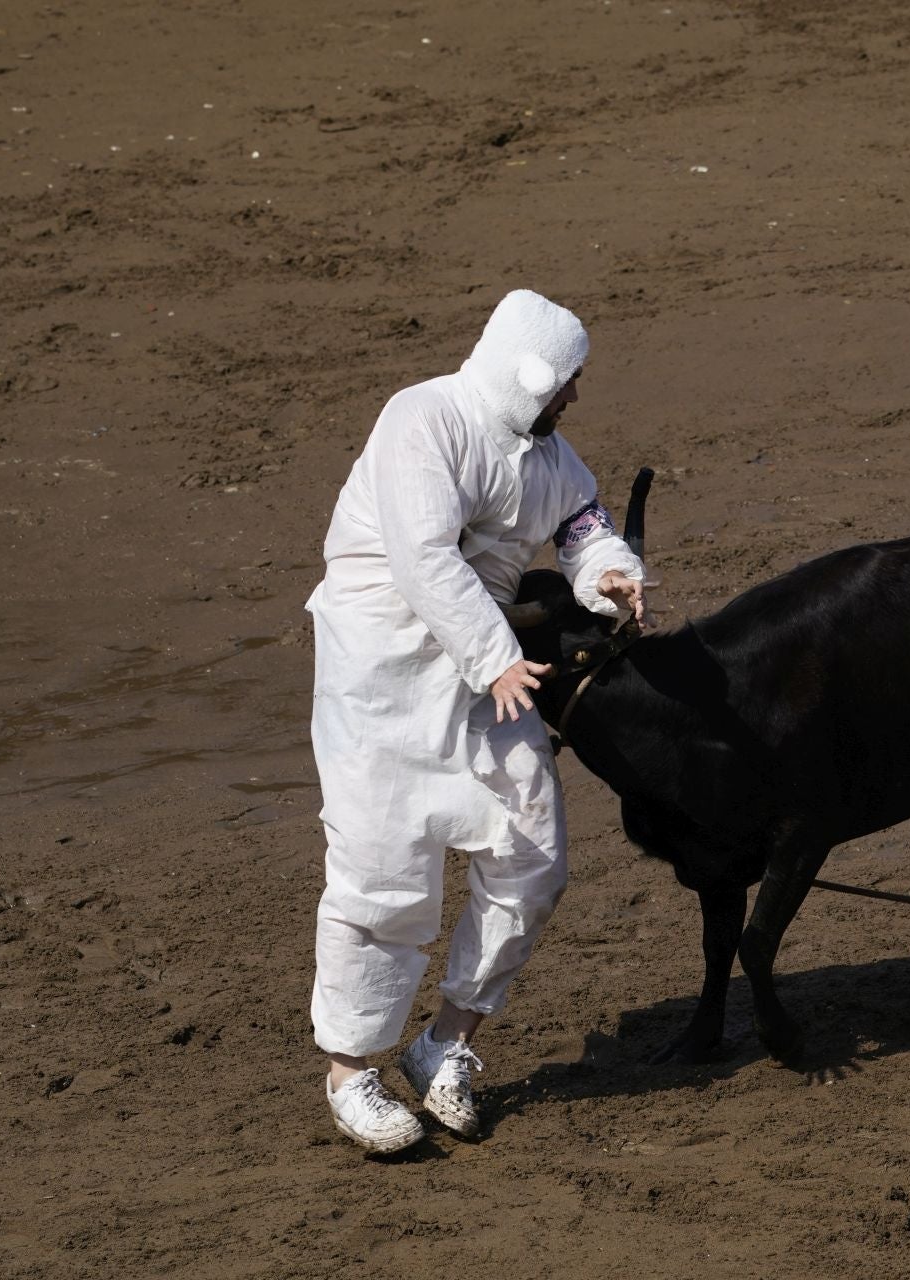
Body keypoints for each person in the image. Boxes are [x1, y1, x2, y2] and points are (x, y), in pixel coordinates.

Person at [305, 290, 644, 1153]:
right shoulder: (421, 418)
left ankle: (445, 1043)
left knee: (532, 855)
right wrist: (493, 656)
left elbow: (584, 525)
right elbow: (423, 556)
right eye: (568, 380)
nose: (575, 396)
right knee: (384, 880)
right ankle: (352, 1073)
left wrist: (607, 571)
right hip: (384, 680)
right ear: (531, 373)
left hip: (489, 679)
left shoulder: (550, 456)